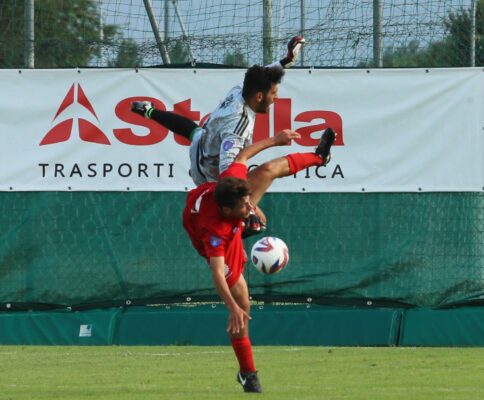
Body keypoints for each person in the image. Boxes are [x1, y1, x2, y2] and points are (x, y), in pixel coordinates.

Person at [182, 126, 336, 393]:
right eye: (245, 205)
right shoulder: (214, 232)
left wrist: (276, 140)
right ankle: (247, 373)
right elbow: (217, 273)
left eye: (249, 202)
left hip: (222, 211)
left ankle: (319, 158)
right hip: (207, 233)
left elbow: (242, 156)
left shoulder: (231, 186)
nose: (249, 205)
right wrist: (231, 307)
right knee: (243, 304)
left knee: (267, 170)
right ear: (228, 210)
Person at [131, 36, 306, 236]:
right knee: (258, 222)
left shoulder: (242, 89)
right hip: (210, 177)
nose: (276, 99)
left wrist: (286, 61)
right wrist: (247, 210)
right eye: (274, 94)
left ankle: (149, 111)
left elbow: (261, 76)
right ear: (259, 96)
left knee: (194, 131)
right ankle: (228, 243)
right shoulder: (238, 127)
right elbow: (228, 174)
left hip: (205, 141)